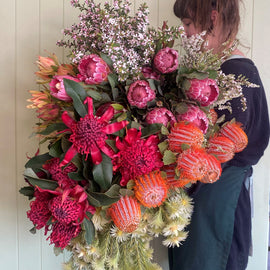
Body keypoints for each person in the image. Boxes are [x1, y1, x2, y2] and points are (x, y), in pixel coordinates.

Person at [168, 0, 270, 270]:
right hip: (209, 196)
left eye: (188, 23)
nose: (185, 32)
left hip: (219, 199)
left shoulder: (236, 73)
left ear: (212, 19)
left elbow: (223, 149)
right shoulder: (218, 70)